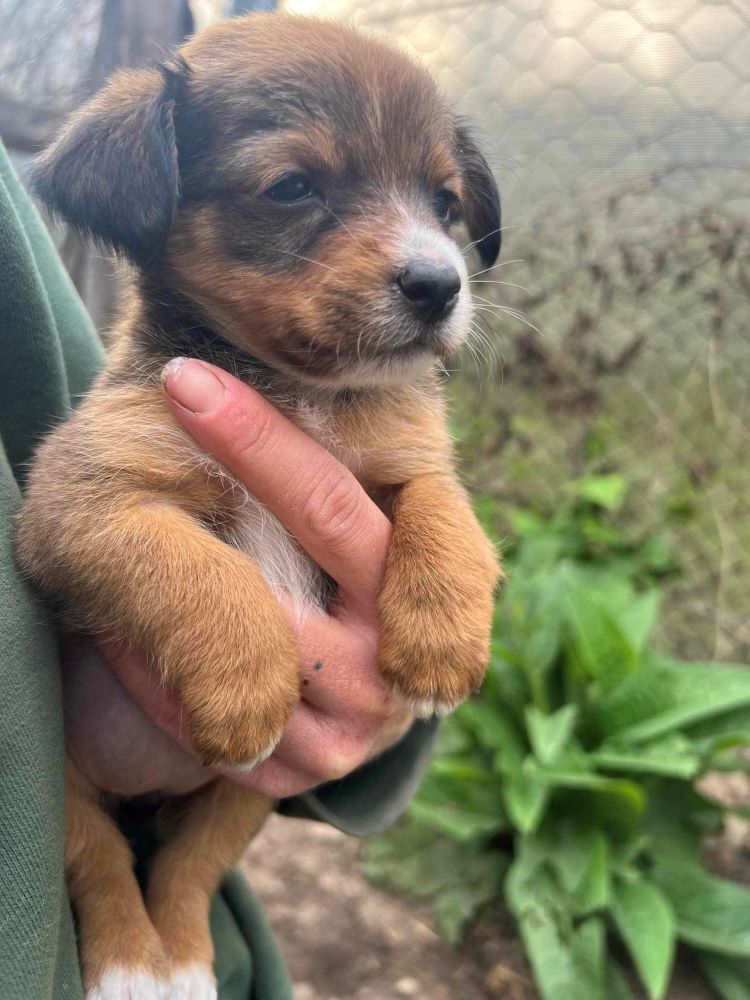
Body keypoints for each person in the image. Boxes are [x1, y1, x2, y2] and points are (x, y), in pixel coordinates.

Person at [0, 140, 438, 1000]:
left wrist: (399, 690)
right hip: (63, 825)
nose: (429, 253)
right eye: (294, 186)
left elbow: (423, 514)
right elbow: (71, 513)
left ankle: (183, 898)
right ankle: (113, 904)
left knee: (212, 833)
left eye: (444, 202)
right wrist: (226, 625)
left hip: (225, 805)